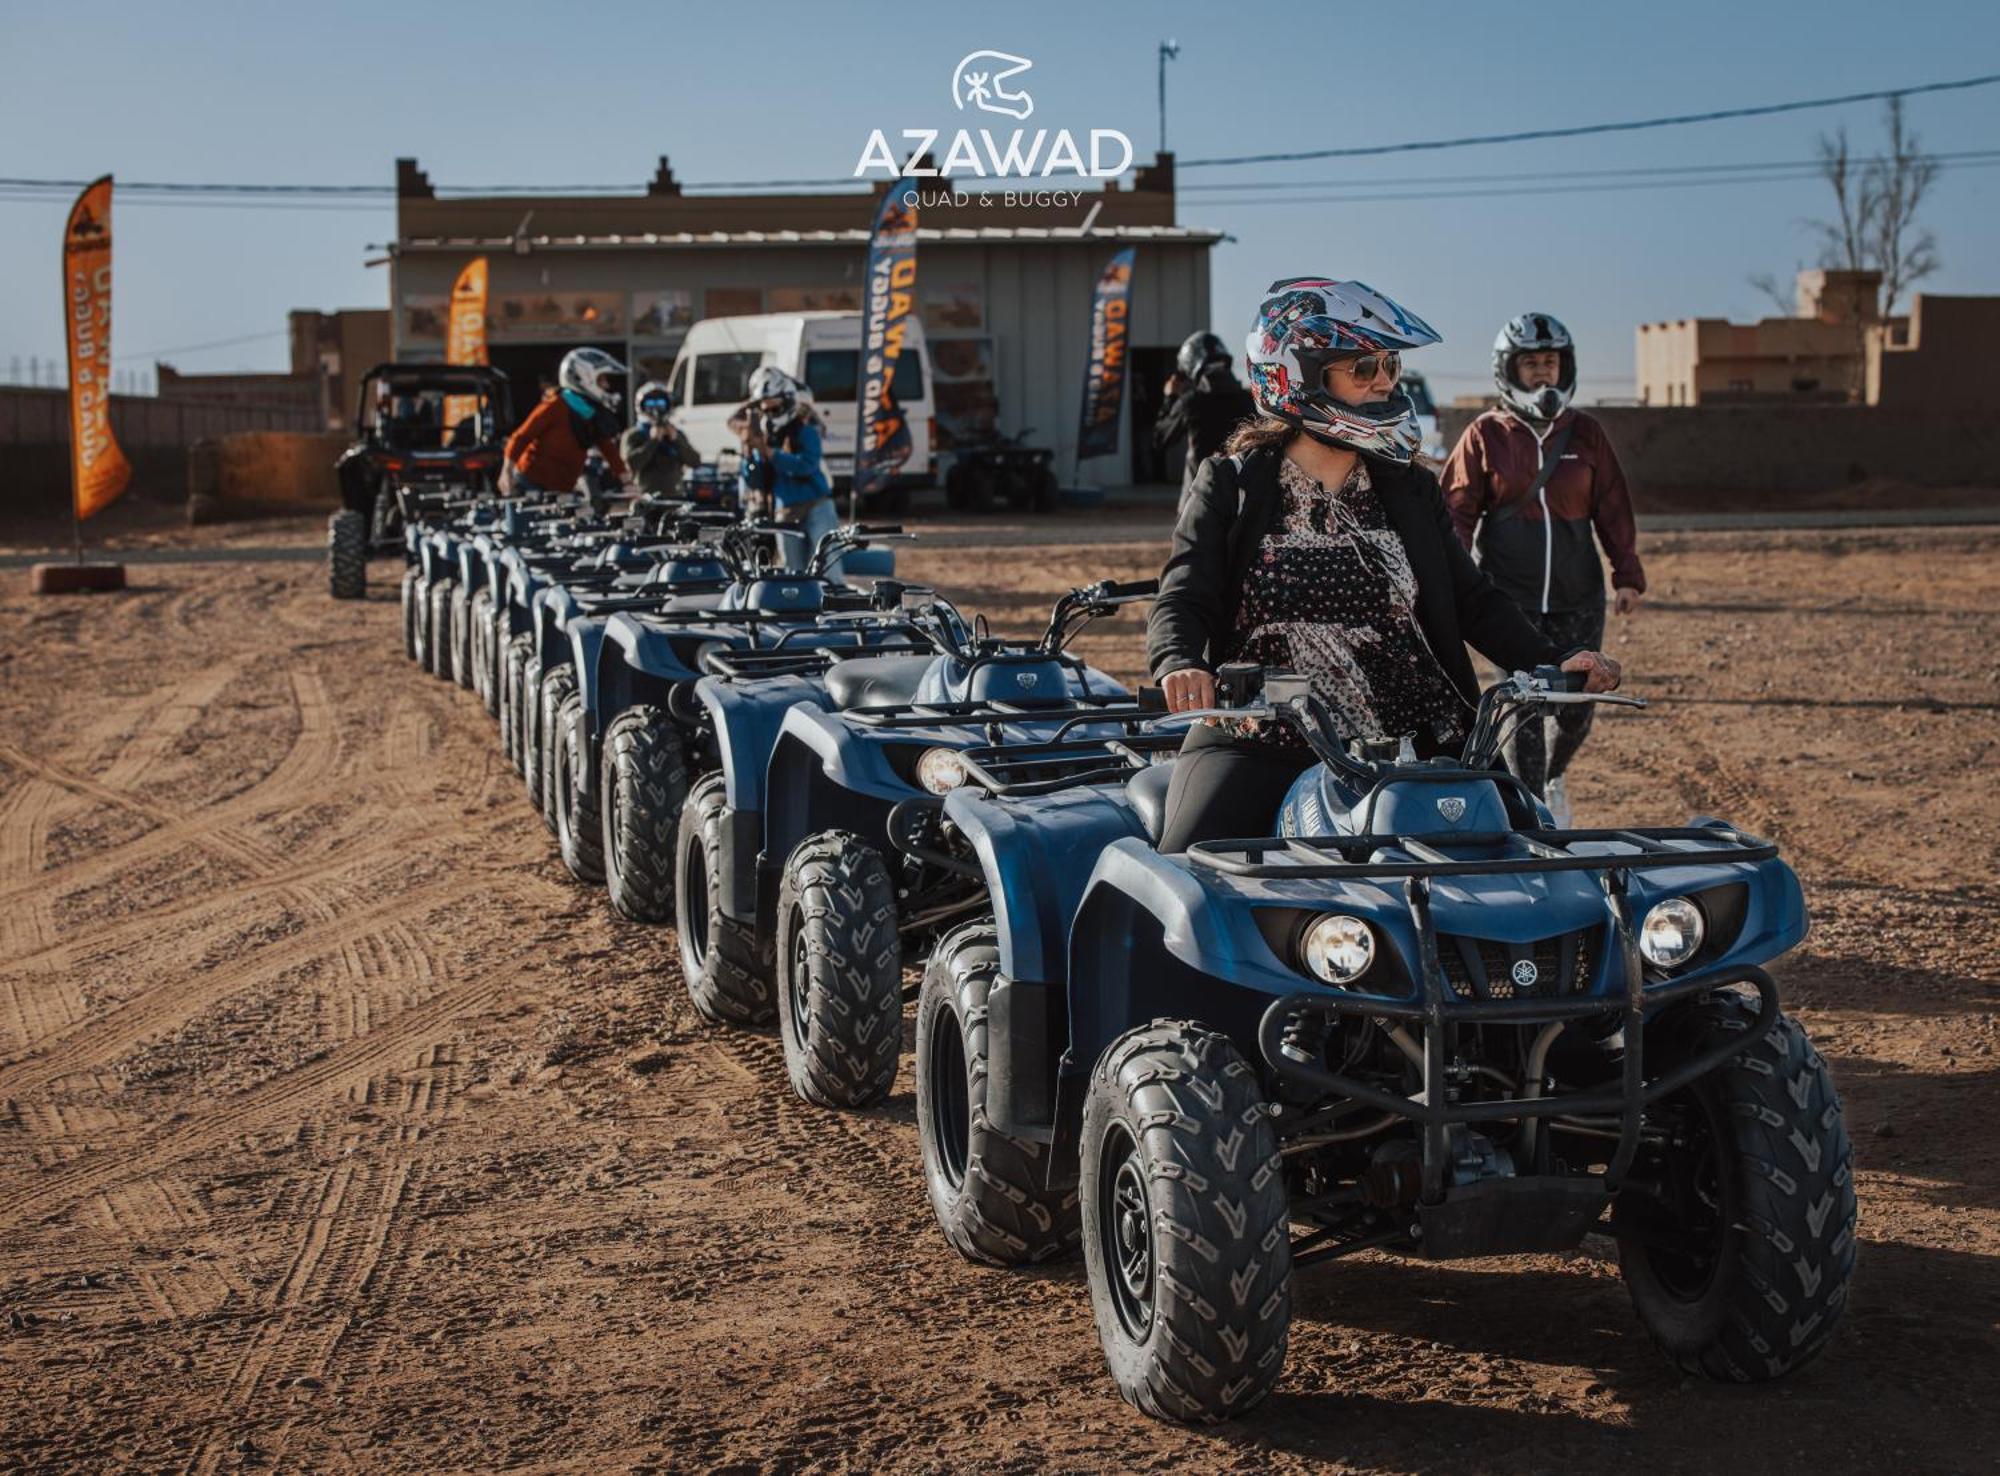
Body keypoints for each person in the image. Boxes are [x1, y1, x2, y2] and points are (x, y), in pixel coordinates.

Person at [1147, 278, 1624, 854]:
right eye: (1363, 368)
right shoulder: (1232, 485)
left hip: (1418, 735)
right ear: (1298, 374)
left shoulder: (1409, 489)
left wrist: (1550, 658)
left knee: (1531, 853)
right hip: (1266, 732)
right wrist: (1179, 662)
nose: (1384, 383)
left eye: (1390, 366)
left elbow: (1470, 596)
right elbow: (1184, 595)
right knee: (1189, 862)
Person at [1439, 313, 1645, 825]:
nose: (1542, 374)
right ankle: (1533, 812)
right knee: (1524, 711)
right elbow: (1456, 513)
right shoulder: (1485, 435)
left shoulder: (1586, 434)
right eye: (1530, 363)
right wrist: (1451, 577)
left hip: (1578, 596)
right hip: (1511, 599)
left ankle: (1554, 775)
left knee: (1576, 707)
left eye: (1550, 361)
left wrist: (1627, 574)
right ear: (1507, 369)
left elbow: (1613, 505)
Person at [736, 366, 836, 573]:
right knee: (793, 571)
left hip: (815, 506)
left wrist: (772, 454)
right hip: (785, 512)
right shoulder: (763, 435)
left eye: (776, 408)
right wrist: (749, 453)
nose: (771, 414)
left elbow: (807, 465)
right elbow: (754, 480)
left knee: (827, 568)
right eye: (767, 410)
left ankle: (835, 603)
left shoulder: (805, 430)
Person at [500, 347, 629, 499]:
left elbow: (607, 447)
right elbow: (522, 436)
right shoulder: (555, 405)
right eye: (602, 380)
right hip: (532, 485)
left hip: (562, 489)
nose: (607, 386)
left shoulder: (591, 413)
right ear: (583, 378)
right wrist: (506, 471)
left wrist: (628, 483)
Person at [1153, 330, 1257, 495]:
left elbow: (1160, 439)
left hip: (1201, 499)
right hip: (1244, 499)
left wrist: (1170, 398)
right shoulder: (1250, 400)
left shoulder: (1191, 402)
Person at [621, 380, 701, 498]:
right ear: (642, 406)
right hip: (645, 497)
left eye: (660, 403)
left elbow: (695, 461)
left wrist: (676, 440)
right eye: (650, 404)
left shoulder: (675, 433)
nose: (656, 409)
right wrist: (653, 441)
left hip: (675, 496)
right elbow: (630, 464)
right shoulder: (634, 435)